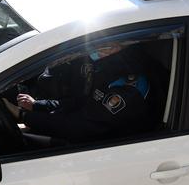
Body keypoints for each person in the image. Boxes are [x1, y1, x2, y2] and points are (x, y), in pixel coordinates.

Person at [13, 41, 152, 145]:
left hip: (106, 147)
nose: (95, 48)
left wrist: (25, 116)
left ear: (119, 46)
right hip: (86, 132)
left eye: (104, 44)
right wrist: (37, 105)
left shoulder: (128, 88)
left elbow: (82, 127)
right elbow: (81, 101)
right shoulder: (109, 69)